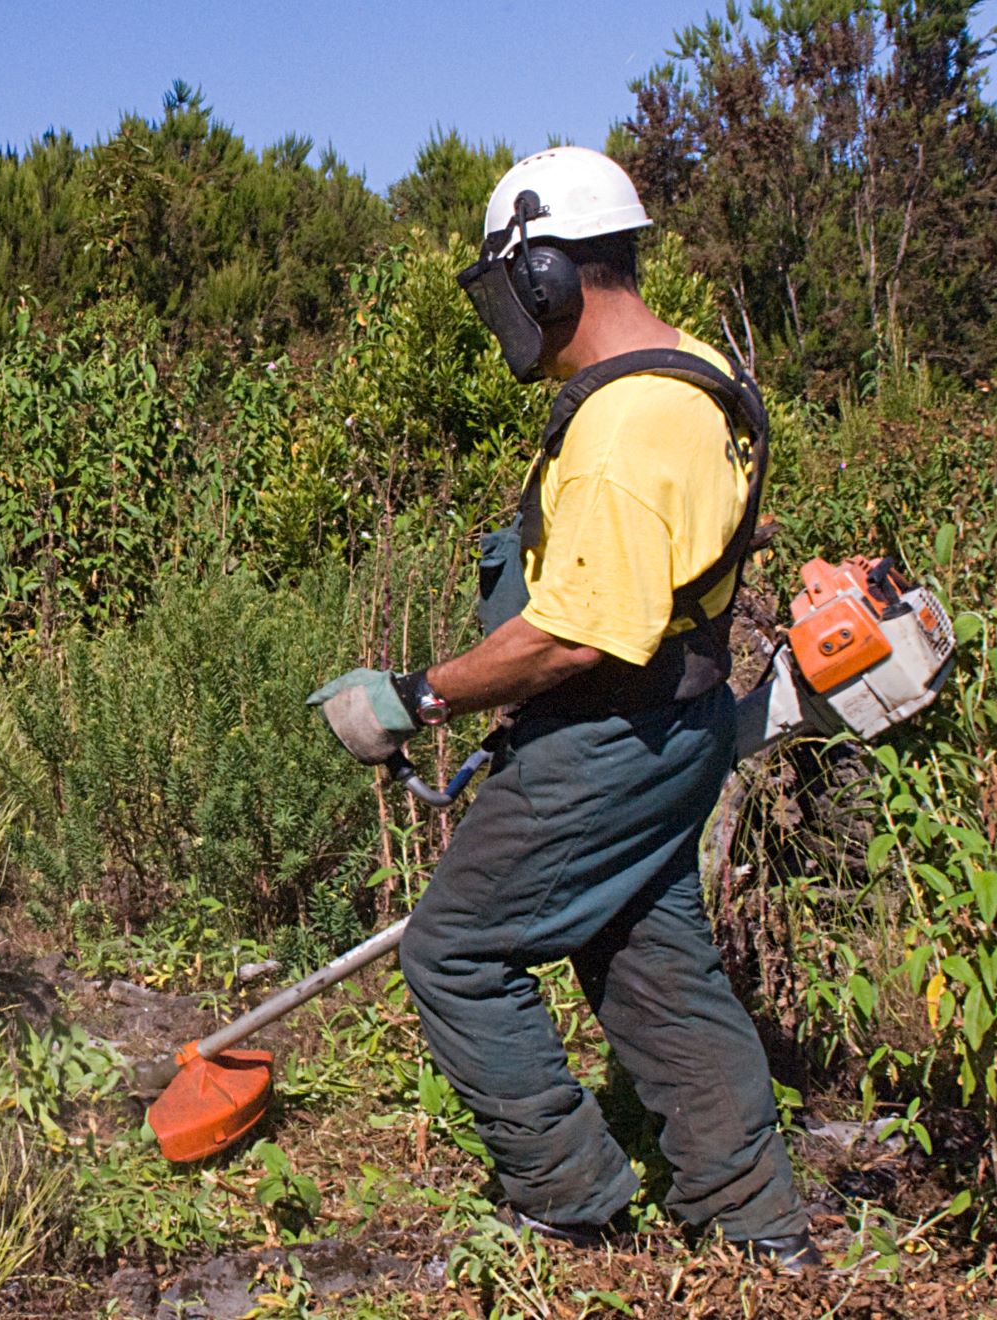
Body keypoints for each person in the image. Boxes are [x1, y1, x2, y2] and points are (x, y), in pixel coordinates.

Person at [308, 146, 818, 1268]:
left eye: (506, 291)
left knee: (452, 955)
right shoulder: (694, 376)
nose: (508, 319)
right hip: (680, 725)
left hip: (605, 739)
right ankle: (762, 1230)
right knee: (651, 955)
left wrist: (414, 696)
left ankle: (570, 1198)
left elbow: (572, 634)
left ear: (546, 277)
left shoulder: (623, 434)